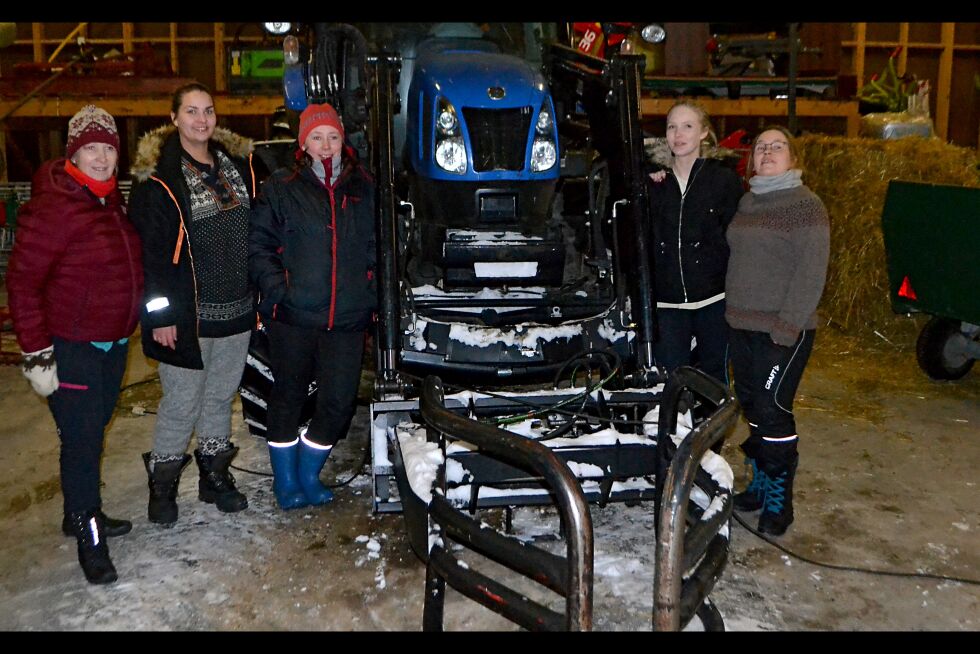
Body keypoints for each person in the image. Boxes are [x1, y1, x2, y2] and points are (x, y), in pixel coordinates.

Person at [6, 105, 143, 584]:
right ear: (73, 154)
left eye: (108, 147)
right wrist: (37, 352)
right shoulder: (54, 207)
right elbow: (22, 284)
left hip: (113, 343)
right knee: (83, 445)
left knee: (92, 432)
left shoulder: (108, 201)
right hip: (72, 346)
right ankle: (90, 537)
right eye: (91, 148)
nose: (102, 157)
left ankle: (77, 513)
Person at [128, 83, 256, 525]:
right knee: (182, 401)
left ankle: (214, 477)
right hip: (187, 316)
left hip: (237, 309)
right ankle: (162, 487)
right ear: (175, 118)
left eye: (208, 111)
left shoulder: (238, 165)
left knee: (221, 397)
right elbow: (149, 258)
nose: (202, 120)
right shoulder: (158, 180)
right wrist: (160, 315)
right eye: (191, 112)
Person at [249, 103, 376, 510]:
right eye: (317, 137)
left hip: (348, 316)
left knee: (338, 402)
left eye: (333, 137)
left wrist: (371, 289)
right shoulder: (281, 188)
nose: (325, 145)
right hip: (295, 316)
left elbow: (381, 246)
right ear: (303, 143)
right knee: (287, 396)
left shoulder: (364, 188)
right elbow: (258, 246)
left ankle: (308, 471)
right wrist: (278, 289)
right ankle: (286, 481)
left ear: (344, 141)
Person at [725, 126, 830, 536]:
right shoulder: (747, 202)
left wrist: (787, 326)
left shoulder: (806, 206)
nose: (768, 152)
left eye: (777, 146)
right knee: (752, 407)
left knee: (773, 410)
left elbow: (812, 271)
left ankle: (779, 500)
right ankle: (760, 482)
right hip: (742, 325)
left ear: (794, 157)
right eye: (761, 147)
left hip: (782, 329)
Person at [646, 101, 744, 383]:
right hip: (668, 303)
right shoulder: (652, 182)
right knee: (670, 379)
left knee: (714, 378)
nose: (678, 134)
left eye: (688, 126)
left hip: (713, 299)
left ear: (703, 133)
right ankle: (673, 427)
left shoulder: (724, 181)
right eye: (672, 126)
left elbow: (735, 238)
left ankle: (712, 426)